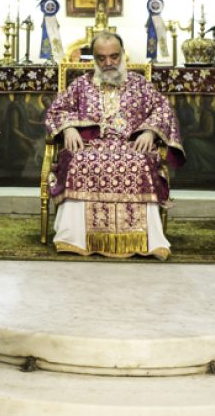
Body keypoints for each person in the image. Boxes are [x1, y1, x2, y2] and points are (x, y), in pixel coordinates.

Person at [45, 31, 184, 259]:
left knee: (140, 162)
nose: (108, 62)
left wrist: (149, 131)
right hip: (89, 147)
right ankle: (74, 238)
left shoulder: (140, 84)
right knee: (78, 160)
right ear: (94, 58)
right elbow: (56, 111)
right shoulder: (81, 85)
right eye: (101, 58)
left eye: (114, 56)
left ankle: (147, 240)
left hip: (131, 146)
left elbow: (163, 109)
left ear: (123, 54)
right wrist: (68, 128)